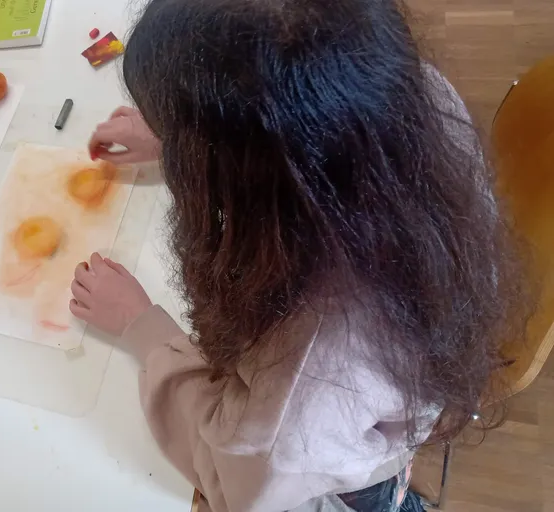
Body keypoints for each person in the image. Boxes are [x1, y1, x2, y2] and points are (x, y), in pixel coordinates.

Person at [70, 0, 528, 511]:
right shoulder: (401, 95)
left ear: (250, 174)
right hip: (401, 385)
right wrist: (190, 135)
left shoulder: (312, 371)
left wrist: (143, 328)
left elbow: (239, 487)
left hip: (345, 473)